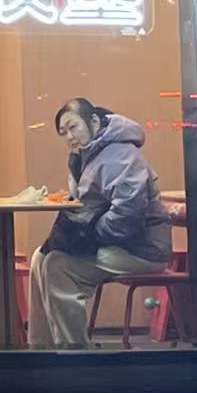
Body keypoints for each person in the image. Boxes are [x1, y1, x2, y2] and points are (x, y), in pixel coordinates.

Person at [27, 97, 173, 349]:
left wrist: (89, 235)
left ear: (93, 121)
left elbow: (128, 215)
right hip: (116, 244)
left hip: (142, 249)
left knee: (57, 265)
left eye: (73, 127)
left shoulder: (120, 155)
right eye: (63, 132)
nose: (69, 136)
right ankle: (42, 348)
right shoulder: (88, 155)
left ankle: (73, 352)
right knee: (40, 256)